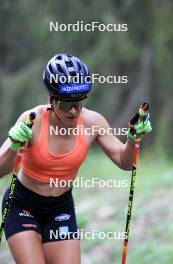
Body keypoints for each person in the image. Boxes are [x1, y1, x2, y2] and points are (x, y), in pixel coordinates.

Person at [0, 54, 152, 264]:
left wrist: (133, 139)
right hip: (22, 205)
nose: (73, 110)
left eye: (78, 103)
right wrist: (14, 144)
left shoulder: (93, 122)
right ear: (50, 100)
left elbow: (125, 162)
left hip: (60, 208)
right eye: (65, 105)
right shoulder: (32, 120)